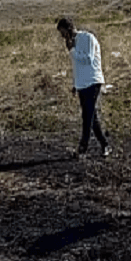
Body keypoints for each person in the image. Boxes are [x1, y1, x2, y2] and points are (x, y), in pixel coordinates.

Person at [56, 17, 110, 159]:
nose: (62, 37)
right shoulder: (71, 43)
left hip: (93, 81)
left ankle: (82, 148)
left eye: (63, 33)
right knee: (92, 117)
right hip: (82, 84)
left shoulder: (87, 38)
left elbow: (88, 59)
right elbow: (76, 66)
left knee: (87, 116)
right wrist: (75, 84)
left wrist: (72, 50)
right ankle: (105, 144)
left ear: (69, 29)